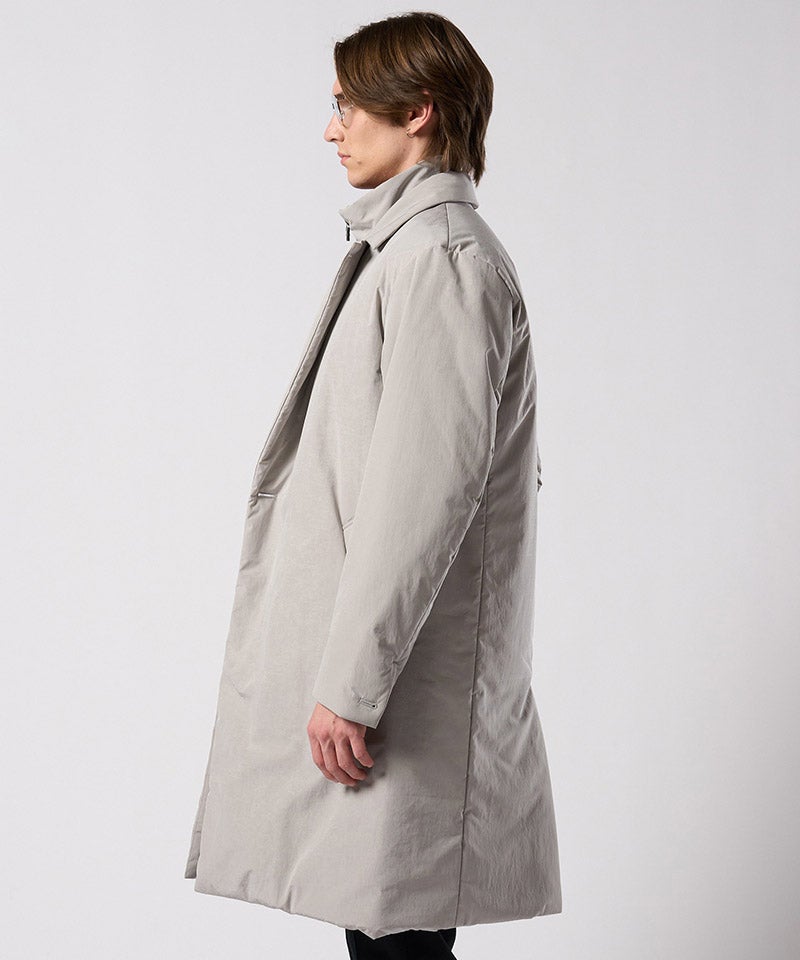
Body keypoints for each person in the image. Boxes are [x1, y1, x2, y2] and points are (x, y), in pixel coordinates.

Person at [184, 13, 562, 960]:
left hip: (397, 687)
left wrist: (352, 687)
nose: (332, 129)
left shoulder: (441, 261)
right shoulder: (411, 253)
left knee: (401, 941)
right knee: (385, 933)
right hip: (391, 676)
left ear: (418, 112)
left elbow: (423, 495)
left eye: (347, 107)